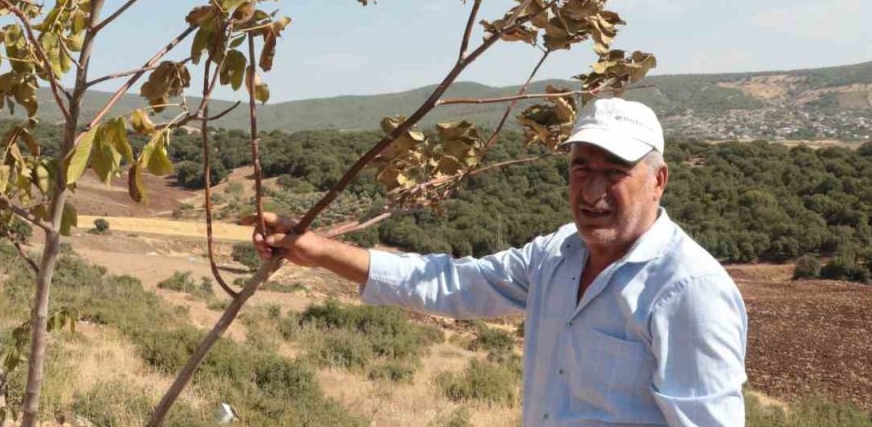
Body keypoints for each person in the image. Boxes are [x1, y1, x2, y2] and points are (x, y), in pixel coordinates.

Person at [249, 97, 747, 426]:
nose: (593, 191)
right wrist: (321, 252)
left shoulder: (688, 289)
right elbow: (453, 284)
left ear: (658, 180)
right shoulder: (557, 255)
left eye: (615, 172)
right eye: (581, 169)